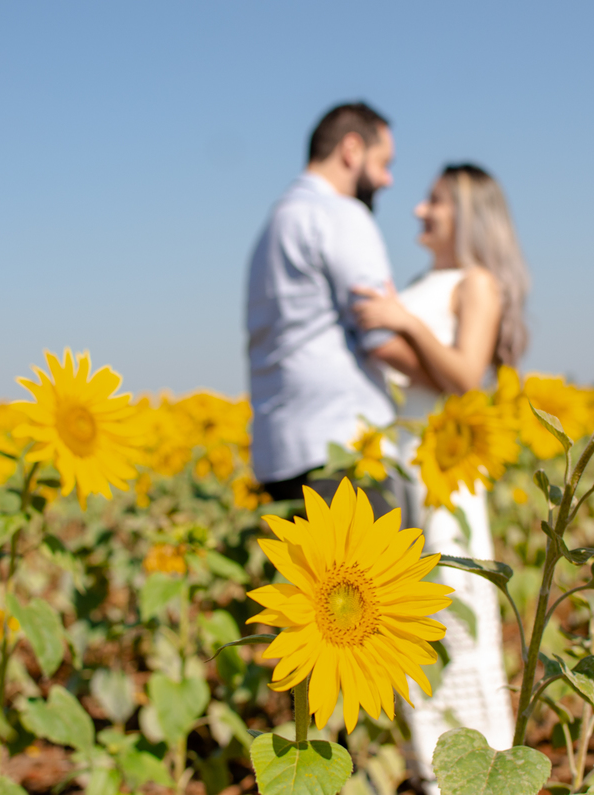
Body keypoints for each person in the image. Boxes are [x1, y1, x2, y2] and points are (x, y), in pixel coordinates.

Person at [352, 163, 529, 786]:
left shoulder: (476, 283)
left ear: (468, 214)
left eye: (435, 201)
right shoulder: (430, 280)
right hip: (403, 466)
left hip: (447, 472)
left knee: (451, 622)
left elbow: (464, 376)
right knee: (404, 620)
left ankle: (472, 774)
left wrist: (404, 322)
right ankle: (427, 771)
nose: (420, 211)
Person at [246, 102, 427, 507]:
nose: (388, 179)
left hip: (280, 452)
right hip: (343, 452)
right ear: (351, 150)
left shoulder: (276, 222)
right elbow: (379, 335)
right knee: (376, 569)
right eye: (383, 162)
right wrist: (449, 376)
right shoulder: (340, 214)